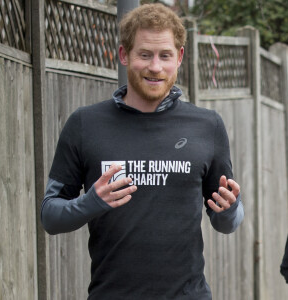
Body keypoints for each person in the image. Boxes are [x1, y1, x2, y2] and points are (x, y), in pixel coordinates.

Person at [41, 3, 244, 299]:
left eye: (165, 56)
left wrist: (231, 209)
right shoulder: (85, 124)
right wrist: (90, 202)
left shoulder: (207, 125)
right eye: (145, 54)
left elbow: (226, 223)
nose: (155, 67)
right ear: (124, 55)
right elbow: (50, 215)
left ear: (180, 57)